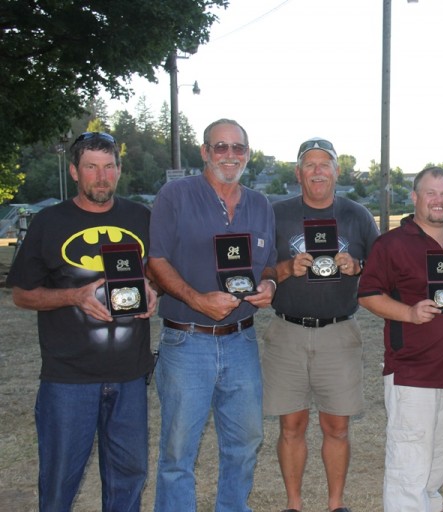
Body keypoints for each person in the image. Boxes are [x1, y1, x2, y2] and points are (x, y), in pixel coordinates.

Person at [7, 131, 157, 511]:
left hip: (129, 375)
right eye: (91, 167)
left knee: (129, 477)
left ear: (120, 171)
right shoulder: (49, 222)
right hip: (68, 378)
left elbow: (157, 274)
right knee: (59, 481)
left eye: (109, 167)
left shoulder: (141, 217)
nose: (101, 177)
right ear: (74, 171)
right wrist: (74, 296)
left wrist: (155, 289)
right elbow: (23, 294)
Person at [148, 119, 277, 511]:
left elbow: (268, 265)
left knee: (245, 442)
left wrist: (270, 286)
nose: (230, 155)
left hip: (241, 340)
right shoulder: (175, 196)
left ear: (248, 154)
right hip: (187, 339)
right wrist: (196, 299)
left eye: (238, 148)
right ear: (204, 152)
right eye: (220, 147)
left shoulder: (259, 203)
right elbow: (156, 261)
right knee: (178, 451)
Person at [358, 166, 443, 512]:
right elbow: (368, 295)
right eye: (430, 193)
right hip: (412, 373)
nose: (439, 200)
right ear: (415, 198)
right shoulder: (391, 244)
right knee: (409, 469)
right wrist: (410, 313)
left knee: (435, 469)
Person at [264, 137, 379, 512]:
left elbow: (380, 271)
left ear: (336, 170)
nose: (317, 171)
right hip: (287, 332)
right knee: (291, 427)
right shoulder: (275, 214)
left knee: (337, 428)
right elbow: (253, 271)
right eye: (309, 164)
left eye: (324, 163)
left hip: (339, 333)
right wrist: (284, 269)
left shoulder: (357, 215)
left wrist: (357, 267)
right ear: (298, 173)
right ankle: (294, 505)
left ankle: (335, 505)